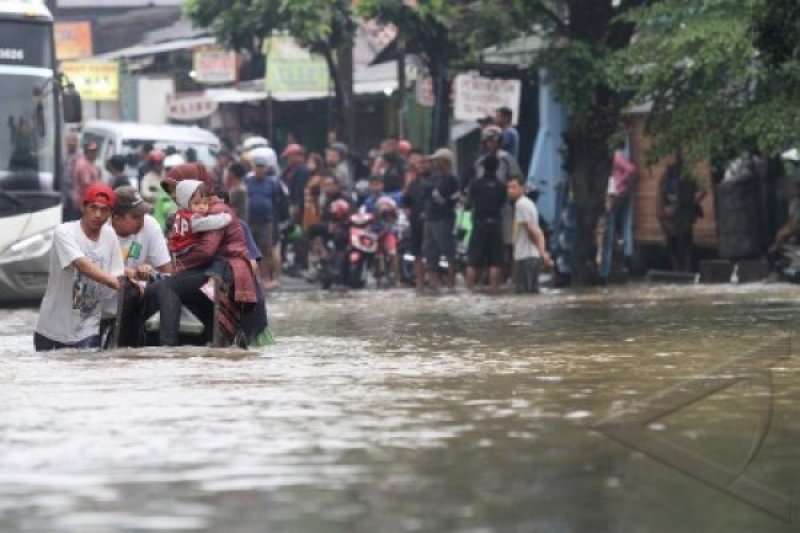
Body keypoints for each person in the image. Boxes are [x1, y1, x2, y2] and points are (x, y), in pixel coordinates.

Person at [143, 163, 264, 347]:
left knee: (167, 287)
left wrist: (179, 267)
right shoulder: (188, 213)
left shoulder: (215, 211)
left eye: (178, 189)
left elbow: (206, 250)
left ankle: (168, 348)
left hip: (224, 272)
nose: (175, 196)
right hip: (207, 270)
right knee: (154, 289)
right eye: (173, 192)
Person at [34, 183, 124, 351]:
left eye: (104, 210)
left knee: (87, 371)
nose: (98, 214)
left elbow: (118, 273)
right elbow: (81, 263)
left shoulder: (110, 235)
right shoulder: (64, 232)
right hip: (52, 329)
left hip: (88, 328)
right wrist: (113, 281)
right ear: (83, 207)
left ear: (111, 213)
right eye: (93, 208)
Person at [102, 186, 174, 343]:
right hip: (102, 304)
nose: (141, 220)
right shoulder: (102, 230)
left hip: (136, 302)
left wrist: (150, 270)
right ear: (116, 218)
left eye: (143, 214)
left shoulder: (150, 225)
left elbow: (167, 271)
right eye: (135, 216)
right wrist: (124, 271)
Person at [466, 155, 508, 292]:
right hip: (495, 224)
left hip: (479, 224)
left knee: (472, 260)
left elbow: (469, 203)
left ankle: (469, 290)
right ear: (497, 168)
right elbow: (503, 204)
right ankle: (494, 289)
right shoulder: (502, 186)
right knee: (495, 261)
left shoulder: (475, 184)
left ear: (483, 167)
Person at [658, 155, 706, 272]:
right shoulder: (665, 177)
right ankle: (677, 271)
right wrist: (665, 210)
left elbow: (703, 190)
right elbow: (660, 197)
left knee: (685, 246)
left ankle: (687, 272)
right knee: (672, 247)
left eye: (672, 158)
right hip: (670, 218)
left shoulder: (687, 175)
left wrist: (692, 202)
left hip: (684, 216)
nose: (669, 160)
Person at [507, 176, 553, 293]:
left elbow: (531, 230)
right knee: (531, 295)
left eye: (514, 187)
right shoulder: (529, 204)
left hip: (525, 258)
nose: (510, 190)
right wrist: (542, 252)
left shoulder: (521, 204)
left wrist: (542, 252)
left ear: (522, 188)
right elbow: (538, 231)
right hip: (530, 257)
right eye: (508, 187)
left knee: (523, 297)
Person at [168, 180, 234, 262]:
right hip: (185, 250)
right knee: (219, 260)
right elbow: (210, 223)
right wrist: (226, 217)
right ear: (185, 202)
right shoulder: (192, 219)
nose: (202, 207)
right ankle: (213, 274)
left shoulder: (181, 213)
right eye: (196, 203)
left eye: (205, 203)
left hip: (176, 248)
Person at [599, 143, 637, 282]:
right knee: (613, 222)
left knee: (614, 221)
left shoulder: (616, 156)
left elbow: (631, 169)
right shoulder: (612, 159)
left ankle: (618, 245)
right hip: (615, 192)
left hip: (618, 192)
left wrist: (619, 181)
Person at [424, 148, 460, 290]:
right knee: (430, 251)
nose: (434, 163)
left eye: (437, 160)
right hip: (431, 218)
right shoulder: (435, 178)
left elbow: (451, 199)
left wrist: (440, 200)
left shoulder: (452, 179)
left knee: (448, 250)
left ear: (445, 162)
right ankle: (434, 283)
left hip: (444, 219)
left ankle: (452, 283)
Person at [246, 150, 282, 286]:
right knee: (250, 250)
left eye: (262, 167)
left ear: (266, 168)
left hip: (266, 221)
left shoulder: (272, 183)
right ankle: (255, 278)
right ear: (254, 167)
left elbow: (276, 201)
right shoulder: (248, 181)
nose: (260, 169)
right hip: (251, 221)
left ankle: (266, 277)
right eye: (258, 166)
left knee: (265, 250)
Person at [402, 150, 432, 290]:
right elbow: (405, 200)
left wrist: (427, 212)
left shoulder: (432, 181)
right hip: (415, 221)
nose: (419, 166)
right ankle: (419, 282)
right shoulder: (413, 183)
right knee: (417, 252)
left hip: (429, 222)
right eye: (417, 163)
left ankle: (432, 280)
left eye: (422, 163)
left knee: (429, 251)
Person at [70, 141, 101, 219]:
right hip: (83, 202)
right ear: (86, 152)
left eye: (95, 151)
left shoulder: (91, 163)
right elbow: (86, 184)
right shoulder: (84, 165)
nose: (94, 153)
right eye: (91, 151)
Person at [62, 131, 81, 221]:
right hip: (63, 195)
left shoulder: (80, 156)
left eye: (74, 140)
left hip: (74, 197)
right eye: (70, 140)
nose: (72, 143)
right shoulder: (62, 154)